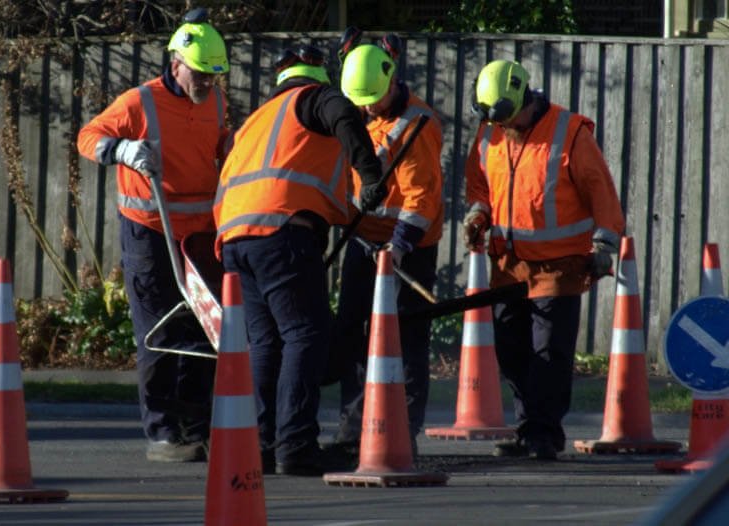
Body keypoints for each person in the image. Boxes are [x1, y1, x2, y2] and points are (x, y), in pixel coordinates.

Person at [212, 44, 384, 476]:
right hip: (282, 231)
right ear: (318, 75)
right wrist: (371, 175)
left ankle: (262, 446)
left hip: (235, 239)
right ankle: (296, 447)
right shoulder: (314, 98)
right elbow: (344, 115)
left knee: (266, 344)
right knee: (305, 334)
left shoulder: (257, 118)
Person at [76, 10, 230, 462]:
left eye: (214, 76)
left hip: (199, 235)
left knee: (204, 329)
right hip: (149, 232)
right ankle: (163, 432)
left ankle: (195, 426)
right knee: (159, 329)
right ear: (177, 62)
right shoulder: (138, 102)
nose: (207, 84)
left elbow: (215, 145)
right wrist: (122, 149)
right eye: (201, 74)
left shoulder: (216, 101)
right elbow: (88, 137)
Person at [463, 59, 625, 460]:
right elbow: (482, 184)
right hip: (509, 264)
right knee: (512, 349)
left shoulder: (569, 133)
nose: (501, 126)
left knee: (548, 353)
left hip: (559, 264)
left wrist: (604, 247)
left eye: (505, 116)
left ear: (523, 96)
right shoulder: (490, 132)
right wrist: (478, 213)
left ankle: (545, 434)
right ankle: (526, 427)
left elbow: (600, 191)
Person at [324, 37, 444, 457]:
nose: (368, 108)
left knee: (408, 339)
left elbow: (421, 200)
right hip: (362, 241)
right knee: (354, 335)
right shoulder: (355, 113)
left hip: (409, 247)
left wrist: (397, 248)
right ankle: (352, 430)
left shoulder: (418, 125)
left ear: (392, 81)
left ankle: (403, 432)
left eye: (373, 100)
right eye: (361, 101)